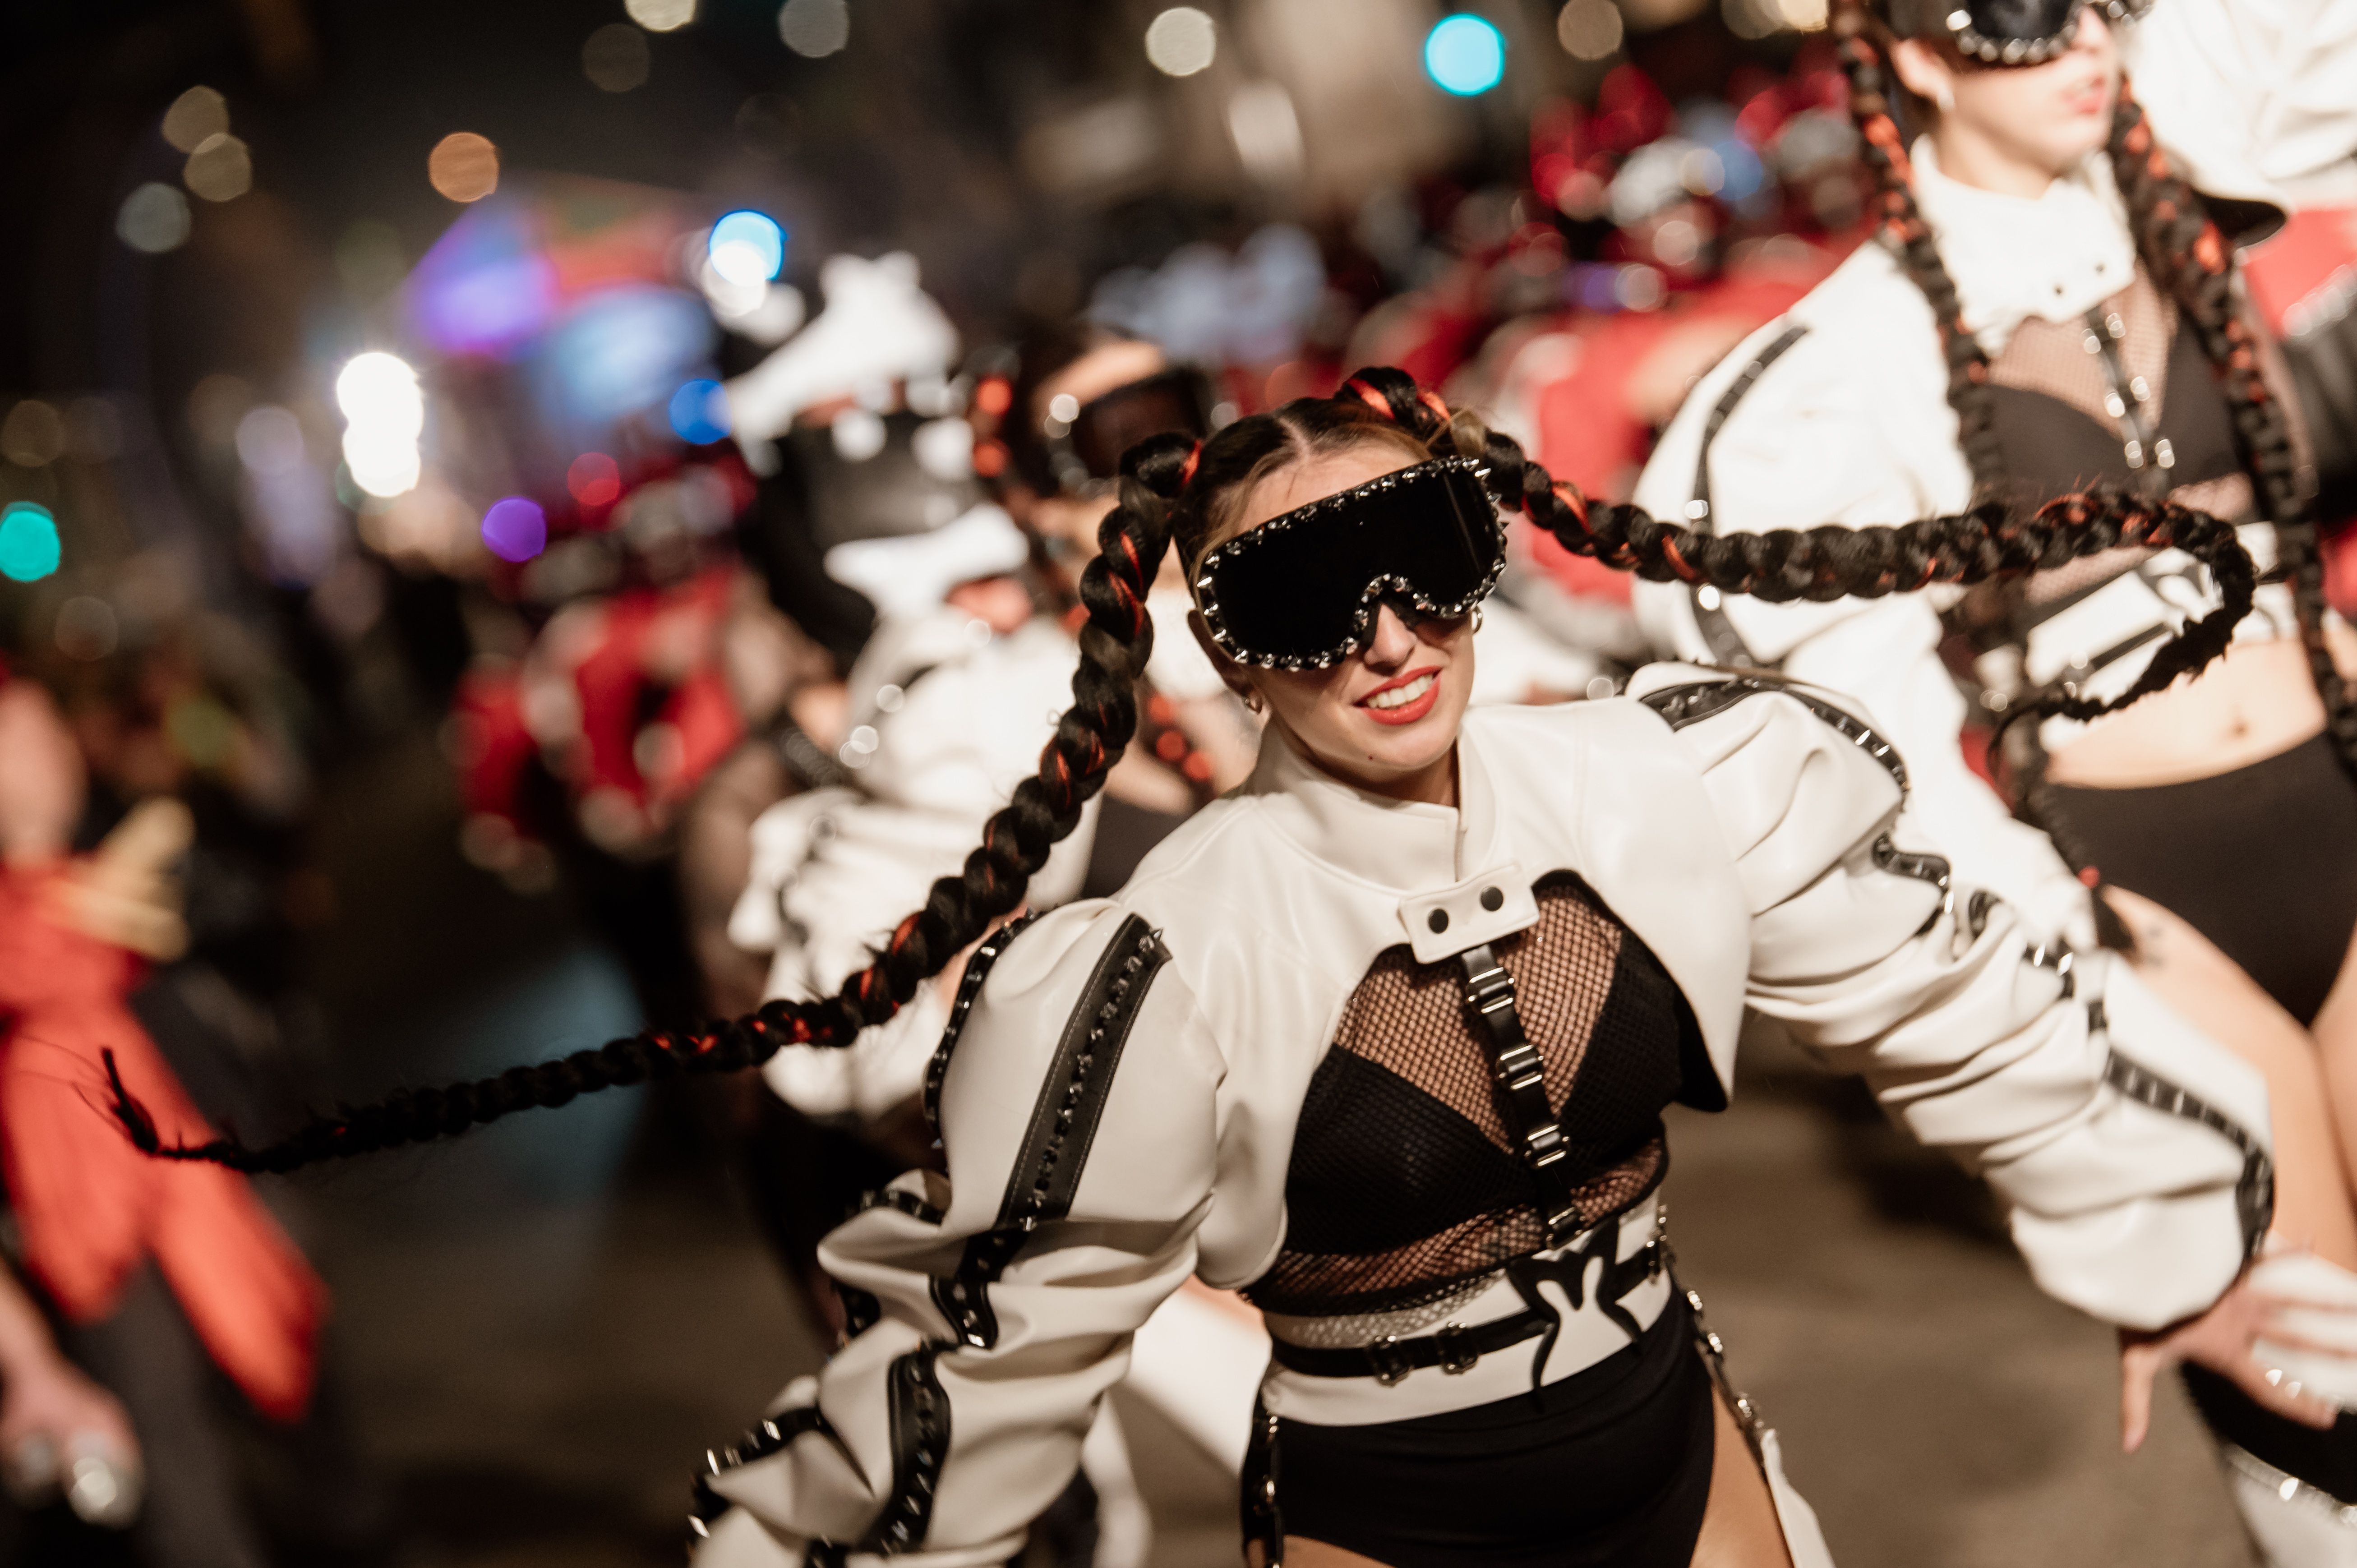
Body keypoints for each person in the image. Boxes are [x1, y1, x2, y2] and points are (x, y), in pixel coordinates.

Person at [120, 368, 2321, 1567]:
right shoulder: (1142, 961)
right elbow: (974, 1350)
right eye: (1301, 593)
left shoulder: (1673, 788)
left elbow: (1982, 1022)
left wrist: (2168, 1250)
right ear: (1205, 630)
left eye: (1421, 562)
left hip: (1688, 1459)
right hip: (1380, 1509)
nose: (1380, 635)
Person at [1628, 3, 2357, 1554]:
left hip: (2341, 793)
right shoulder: (1861, 353)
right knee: (2317, 1376)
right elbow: (1814, 713)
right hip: (2150, 890)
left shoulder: (2188, 177)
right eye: (2018, 15)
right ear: (1909, 55)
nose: (2080, 42)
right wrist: (2047, 918)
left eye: (2100, 6)